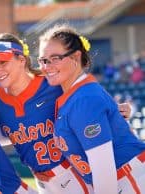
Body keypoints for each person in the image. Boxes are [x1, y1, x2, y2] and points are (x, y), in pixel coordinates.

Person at [0, 33, 93, 194]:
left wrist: (116, 108)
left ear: (21, 60)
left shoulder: (51, 82)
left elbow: (88, 101)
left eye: (3, 62)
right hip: (42, 181)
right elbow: (11, 133)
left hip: (74, 173)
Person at [38, 24, 145, 194]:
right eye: (43, 60)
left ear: (75, 57)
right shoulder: (72, 94)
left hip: (129, 179)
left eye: (55, 58)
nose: (47, 66)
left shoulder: (83, 99)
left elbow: (104, 170)